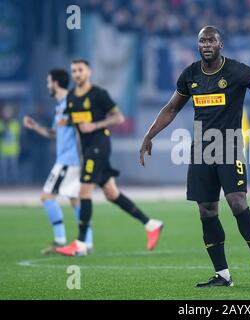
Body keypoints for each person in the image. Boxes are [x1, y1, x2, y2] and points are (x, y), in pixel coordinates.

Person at [139, 26, 250, 287]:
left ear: (221, 44)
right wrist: (149, 135)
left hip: (229, 145)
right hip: (201, 150)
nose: (206, 44)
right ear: (198, 45)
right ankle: (222, 275)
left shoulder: (235, 71)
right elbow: (172, 108)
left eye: (211, 40)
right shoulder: (190, 74)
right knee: (206, 210)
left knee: (237, 203)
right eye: (202, 40)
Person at [56, 59, 163, 256]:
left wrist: (95, 125)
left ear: (89, 71)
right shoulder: (71, 98)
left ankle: (80, 244)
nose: (77, 74)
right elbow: (75, 122)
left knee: (84, 191)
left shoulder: (98, 94)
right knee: (111, 193)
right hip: (88, 150)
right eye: (73, 71)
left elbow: (118, 117)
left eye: (80, 70)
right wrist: (67, 122)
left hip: (100, 145)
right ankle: (151, 224)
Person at [23, 69, 94, 254]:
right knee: (75, 199)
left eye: (48, 82)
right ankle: (87, 241)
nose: (47, 85)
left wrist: (84, 157)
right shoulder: (60, 107)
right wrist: (36, 127)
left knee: (47, 197)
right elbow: (55, 133)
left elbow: (81, 130)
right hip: (69, 161)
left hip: (69, 161)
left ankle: (60, 239)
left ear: (55, 83)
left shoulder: (72, 103)